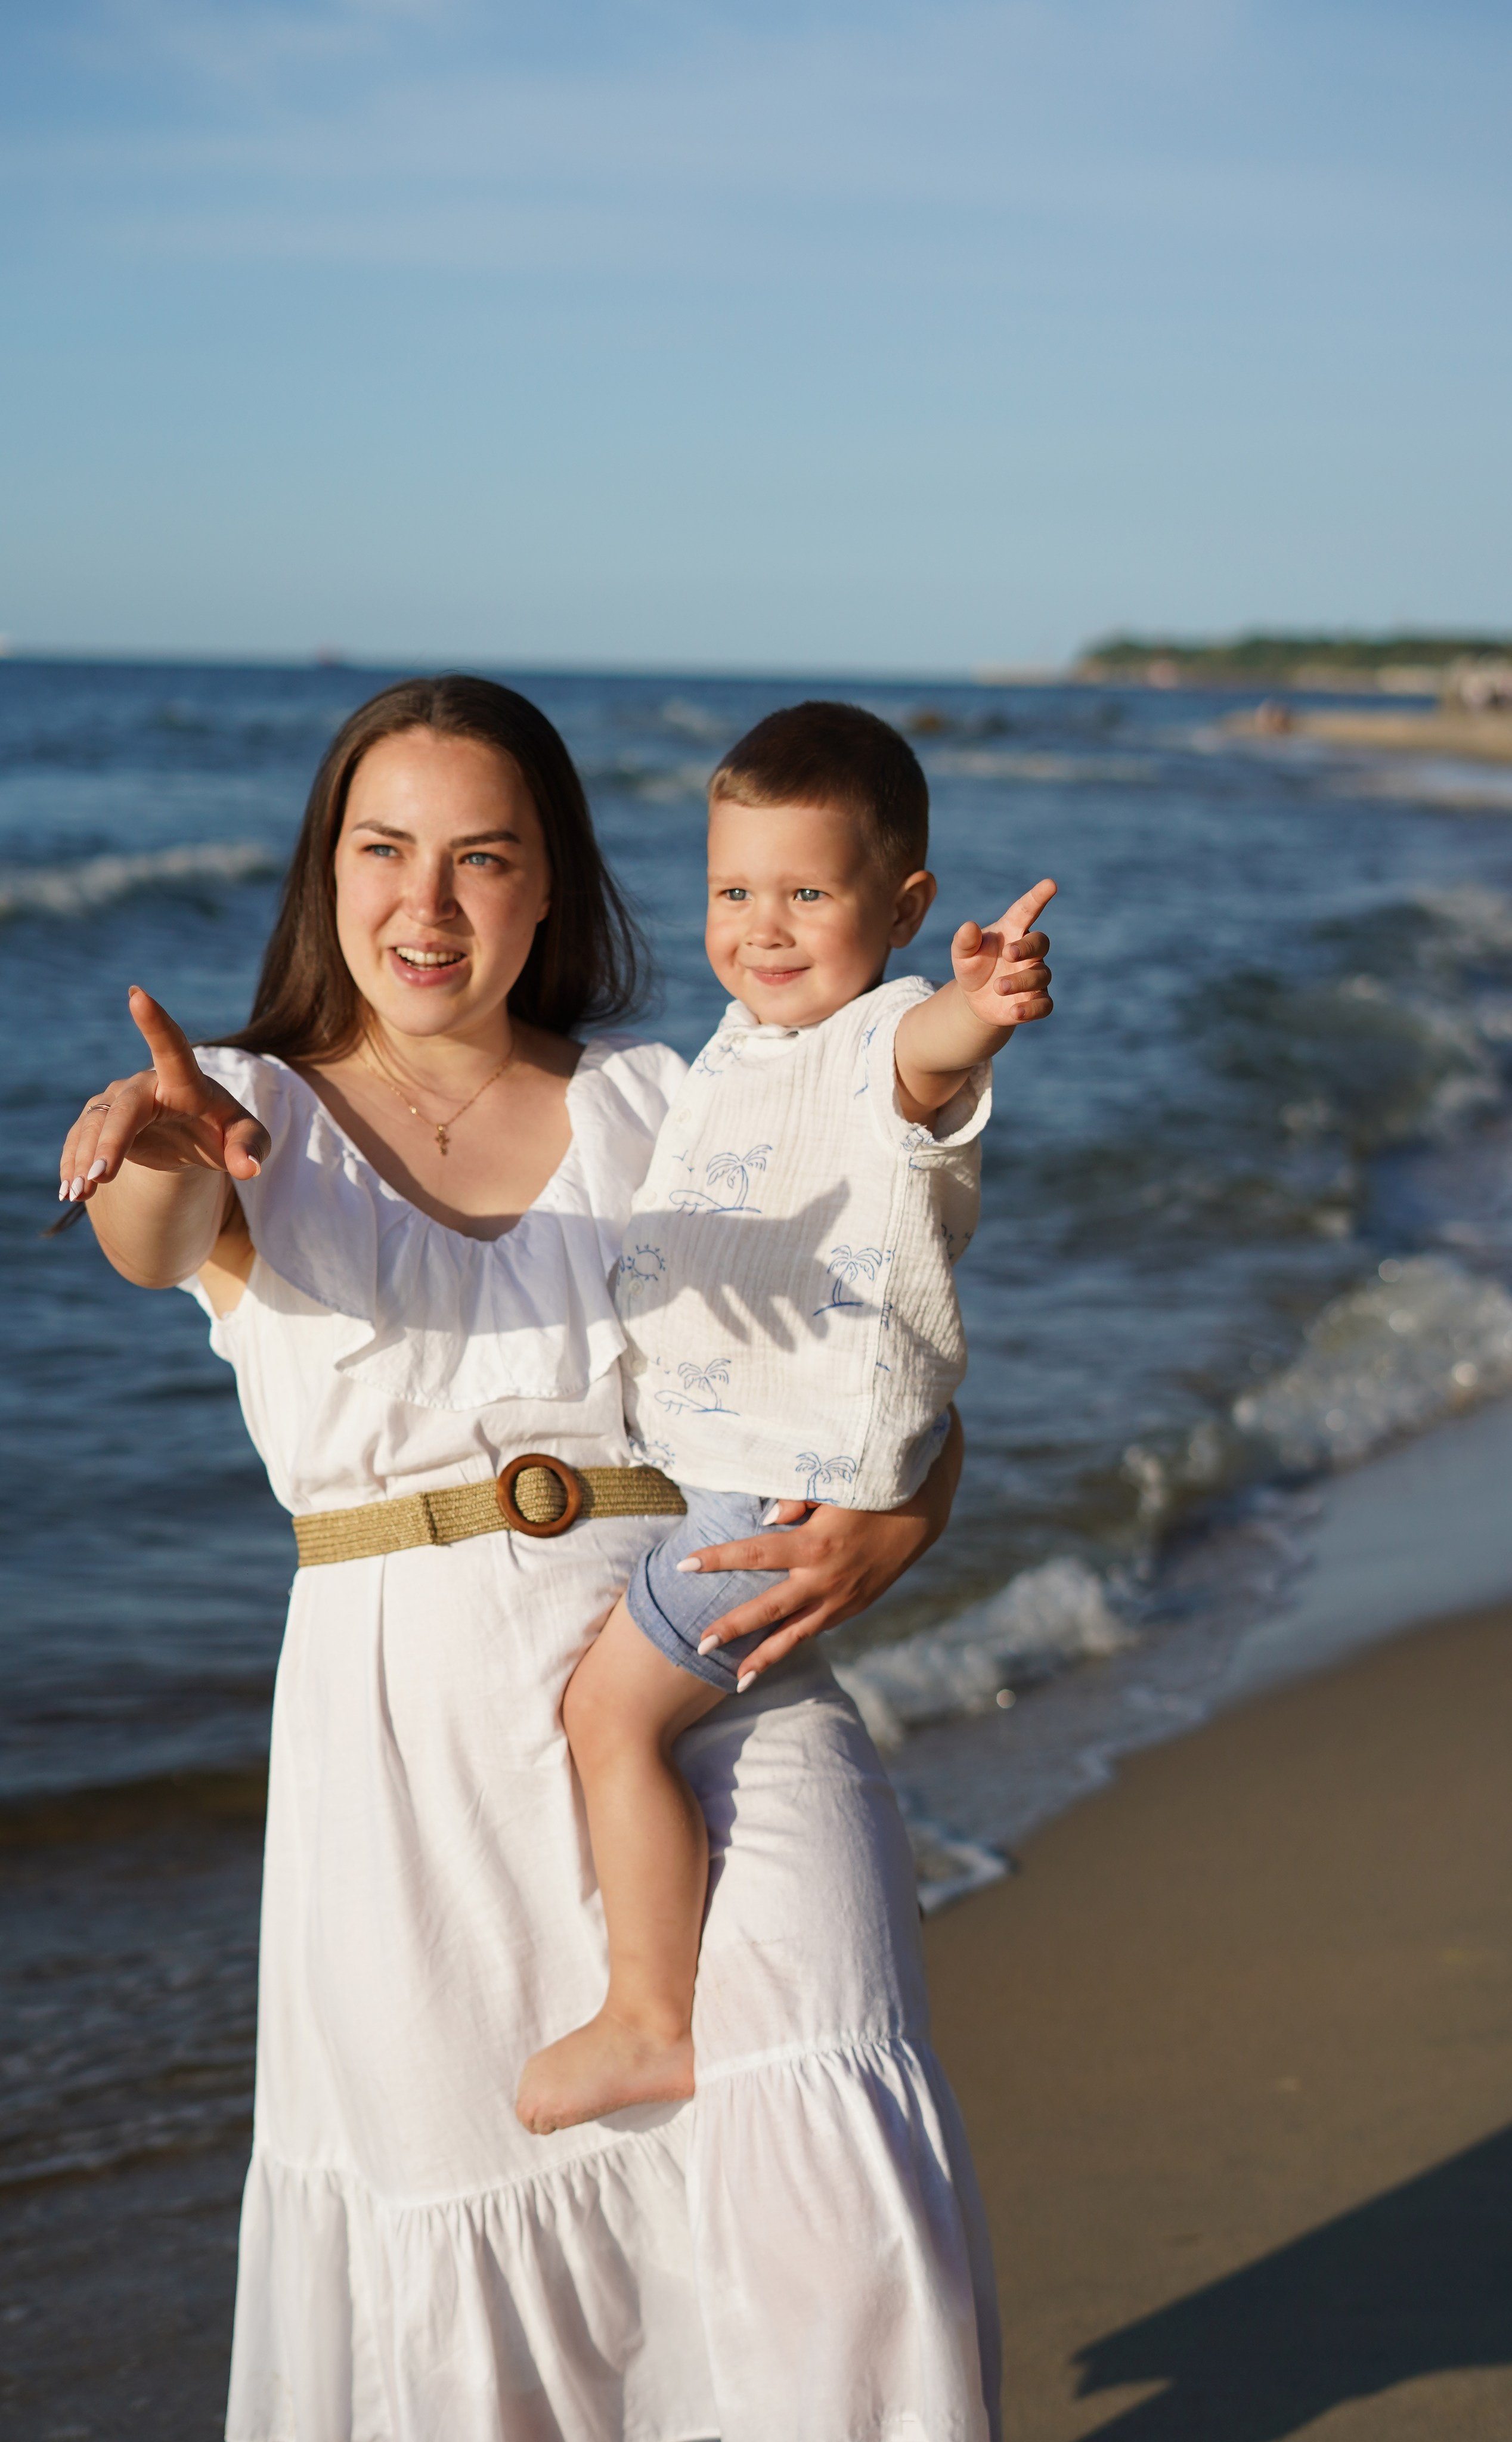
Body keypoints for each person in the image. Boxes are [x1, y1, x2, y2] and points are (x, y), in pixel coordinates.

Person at [57, 675, 1006, 2442]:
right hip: (414, 1746)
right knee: (481, 2270)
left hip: (718, 1665)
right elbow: (154, 1234)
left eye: (482, 858)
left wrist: (910, 1508)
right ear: (326, 871)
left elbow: (873, 1329)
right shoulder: (242, 1106)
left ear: (550, 880)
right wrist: (159, 1147)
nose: (426, 904)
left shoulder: (669, 1097)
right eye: (384, 850)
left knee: (832, 2162)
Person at [516, 703, 1054, 2138]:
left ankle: (647, 2016)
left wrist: (980, 1003)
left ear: (904, 906)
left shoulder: (880, 1038)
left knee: (607, 1715)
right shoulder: (742, 1043)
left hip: (774, 1490)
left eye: (806, 892)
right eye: (732, 891)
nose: (762, 927)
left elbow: (929, 1054)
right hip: (737, 1473)